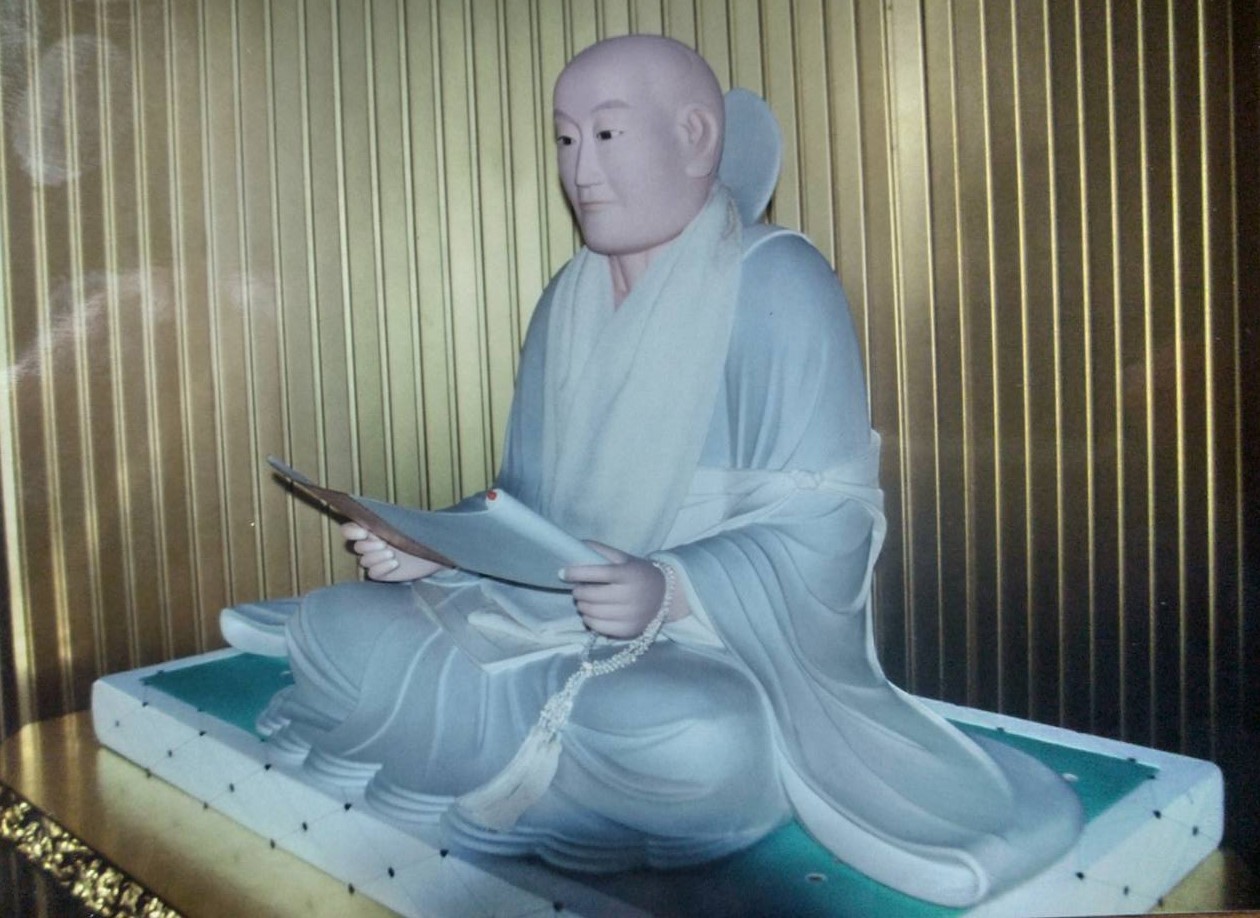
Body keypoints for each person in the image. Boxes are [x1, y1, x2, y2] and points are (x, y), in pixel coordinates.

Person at [223, 35, 1081, 906]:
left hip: (705, 650)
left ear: (696, 137)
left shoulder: (780, 282)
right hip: (543, 619)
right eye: (565, 140)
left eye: (605, 136)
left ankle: (579, 768)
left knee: (702, 738)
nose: (580, 171)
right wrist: (432, 547)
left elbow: (830, 520)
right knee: (337, 624)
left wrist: (671, 586)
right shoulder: (565, 301)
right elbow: (528, 506)